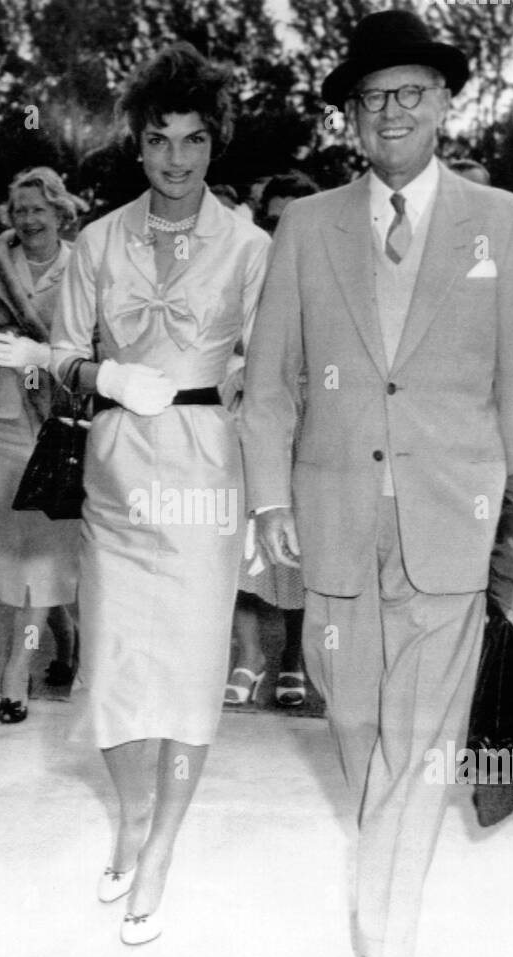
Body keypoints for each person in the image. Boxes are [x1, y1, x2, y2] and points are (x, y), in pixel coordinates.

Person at [241, 9, 513, 957]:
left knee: (420, 737)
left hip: (455, 517)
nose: (391, 110)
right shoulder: (304, 225)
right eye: (372, 96)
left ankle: (387, 939)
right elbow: (272, 384)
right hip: (332, 516)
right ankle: (383, 896)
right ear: (348, 116)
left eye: (411, 91)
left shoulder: (502, 221)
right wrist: (268, 495)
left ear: (446, 103)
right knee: (355, 716)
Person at [49, 43, 270, 945]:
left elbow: (270, 379)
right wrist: (105, 378)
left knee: (185, 673)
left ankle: (165, 843)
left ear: (214, 146)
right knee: (110, 664)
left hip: (208, 475)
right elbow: (58, 363)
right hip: (118, 475)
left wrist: (263, 501)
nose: (176, 159)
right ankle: (132, 816)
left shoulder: (253, 247)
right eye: (158, 140)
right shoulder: (94, 242)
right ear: (135, 146)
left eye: (193, 140)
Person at [0, 166, 86, 724]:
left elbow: (96, 344)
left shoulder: (83, 265)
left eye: (39, 208)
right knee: (13, 549)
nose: (28, 218)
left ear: (61, 212)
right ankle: (68, 637)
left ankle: (16, 669)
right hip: (0, 419)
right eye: (19, 209)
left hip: (58, 422)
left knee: (44, 546)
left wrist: (42, 352)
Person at [225, 170, 321, 709]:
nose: (284, 229)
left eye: (295, 218)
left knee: (303, 539)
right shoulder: (247, 267)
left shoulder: (335, 271)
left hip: (316, 420)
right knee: (242, 540)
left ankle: (295, 658)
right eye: (274, 219)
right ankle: (249, 654)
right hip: (251, 413)